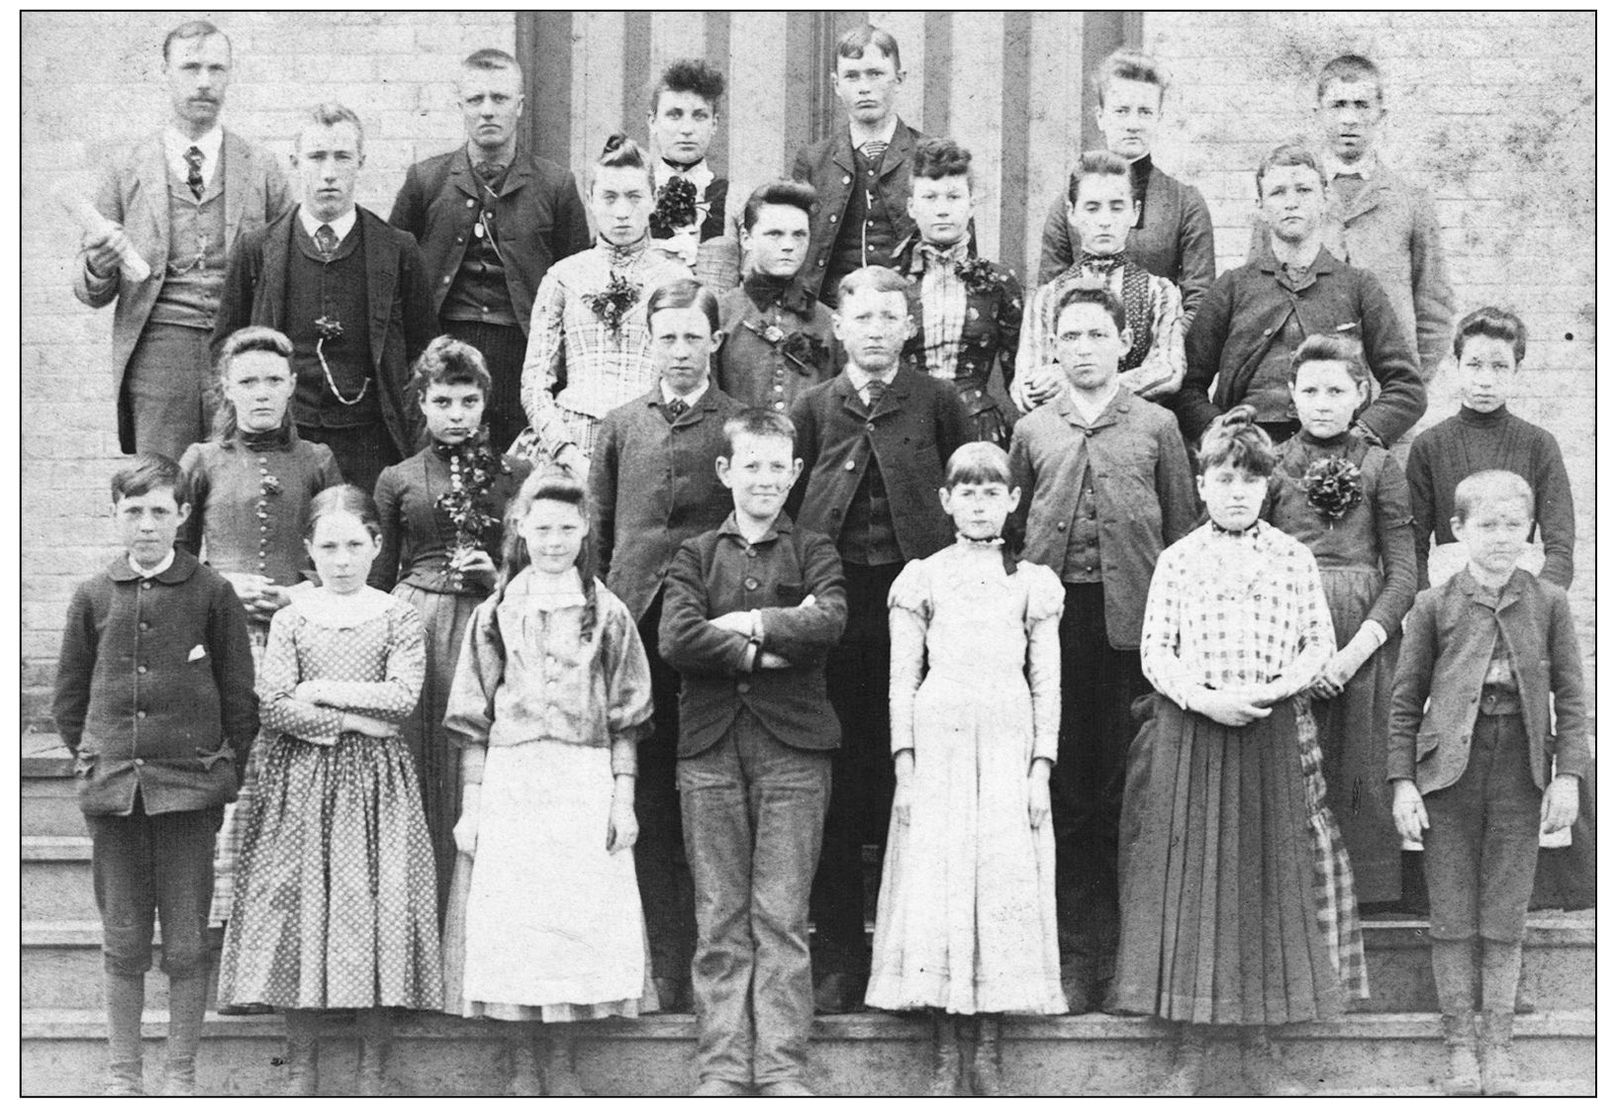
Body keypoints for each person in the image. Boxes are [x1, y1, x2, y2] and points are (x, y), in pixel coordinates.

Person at [1112, 408, 1348, 1096]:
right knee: (1192, 880)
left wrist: (1275, 688)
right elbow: (1156, 650)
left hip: (1270, 727)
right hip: (1196, 727)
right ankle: (1187, 1046)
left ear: (1268, 486)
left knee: (1266, 878)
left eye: (1250, 478)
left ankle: (1263, 1043)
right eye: (1224, 477)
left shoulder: (1292, 556)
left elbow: (1318, 643)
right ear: (1202, 482)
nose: (1237, 489)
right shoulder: (1178, 558)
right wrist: (1204, 698)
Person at [1007, 286, 1197, 1014]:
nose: (1083, 347)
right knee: (1066, 790)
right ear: (1053, 347)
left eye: (1097, 334)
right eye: (1070, 335)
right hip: (1056, 629)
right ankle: (1074, 956)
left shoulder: (1156, 426)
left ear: (1123, 344)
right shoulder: (1033, 430)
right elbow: (1015, 540)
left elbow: (1181, 534)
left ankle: (1129, 963)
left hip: (1134, 631)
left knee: (1129, 788)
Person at [787, 265, 969, 1013]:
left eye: (889, 317)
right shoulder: (813, 405)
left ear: (909, 326)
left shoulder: (936, 401)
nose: (874, 329)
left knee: (910, 773)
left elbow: (964, 490)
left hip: (916, 610)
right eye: (861, 317)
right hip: (836, 609)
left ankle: (912, 952)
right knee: (836, 776)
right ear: (840, 327)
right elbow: (796, 502)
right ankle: (838, 952)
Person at [217, 486, 439, 1097]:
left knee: (377, 905)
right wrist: (346, 720)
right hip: (301, 782)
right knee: (299, 904)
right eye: (328, 547)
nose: (341, 559)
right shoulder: (291, 617)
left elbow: (402, 697)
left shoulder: (397, 615)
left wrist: (321, 690)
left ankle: (373, 1067)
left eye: (354, 545)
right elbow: (275, 703)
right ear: (308, 551)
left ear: (377, 546)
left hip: (378, 782)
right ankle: (302, 1065)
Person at [442, 465, 656, 1096]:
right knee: (517, 917)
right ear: (521, 529)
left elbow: (628, 715)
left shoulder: (608, 612)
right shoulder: (495, 612)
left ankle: (562, 1060)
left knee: (573, 916)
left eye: (567, 528)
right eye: (543, 528)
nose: (555, 540)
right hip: (514, 777)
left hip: (582, 776)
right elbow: (472, 716)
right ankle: (520, 1062)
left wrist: (624, 798)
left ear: (585, 529)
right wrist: (471, 807)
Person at [53, 453, 257, 1095]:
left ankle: (181, 1074)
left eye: (160, 512)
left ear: (183, 516)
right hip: (114, 794)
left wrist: (222, 770)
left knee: (189, 941)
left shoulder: (211, 592)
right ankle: (123, 1076)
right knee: (123, 937)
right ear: (116, 516)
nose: (147, 525)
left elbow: (238, 695)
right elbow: (67, 698)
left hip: (190, 795)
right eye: (134, 511)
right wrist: (93, 760)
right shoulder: (91, 595)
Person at [659, 408, 848, 1096]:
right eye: (752, 465)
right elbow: (678, 637)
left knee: (781, 914)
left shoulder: (816, 549)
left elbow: (827, 620)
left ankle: (780, 1069)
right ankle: (721, 1067)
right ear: (725, 472)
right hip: (708, 748)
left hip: (794, 748)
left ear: (796, 473)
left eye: (777, 466)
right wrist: (768, 648)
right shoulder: (694, 554)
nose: (764, 479)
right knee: (720, 917)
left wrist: (747, 622)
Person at [867, 442, 1066, 1096]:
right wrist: (904, 764)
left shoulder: (1030, 582)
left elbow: (1047, 683)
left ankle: (989, 1042)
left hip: (1007, 744)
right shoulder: (923, 577)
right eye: (967, 492)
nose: (980, 504)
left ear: (1012, 500)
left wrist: (1041, 766)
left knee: (1000, 880)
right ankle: (943, 1046)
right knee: (942, 881)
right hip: (941, 741)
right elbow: (902, 679)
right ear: (947, 500)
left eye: (993, 492)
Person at [1389, 470, 1587, 1095]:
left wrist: (1569, 777)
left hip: (1519, 773)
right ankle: (1459, 1049)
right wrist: (1402, 783)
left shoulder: (1549, 603)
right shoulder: (1432, 605)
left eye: (1512, 525)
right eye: (1486, 525)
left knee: (1503, 911)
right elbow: (1403, 704)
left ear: (1529, 532)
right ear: (1458, 531)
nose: (1500, 537)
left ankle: (1498, 1047)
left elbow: (1573, 702)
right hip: (1449, 775)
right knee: (1451, 913)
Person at [589, 278, 742, 1012]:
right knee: (641, 789)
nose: (679, 350)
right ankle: (655, 963)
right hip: (635, 625)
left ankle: (703, 964)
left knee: (701, 793)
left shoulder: (741, 424)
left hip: (707, 632)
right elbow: (599, 526)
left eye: (693, 336)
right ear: (649, 341)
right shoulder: (621, 426)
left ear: (715, 341)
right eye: (667, 336)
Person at [175, 326, 341, 942]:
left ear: (293, 385)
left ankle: (293, 919)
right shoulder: (201, 461)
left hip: (301, 638)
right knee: (236, 770)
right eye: (248, 382)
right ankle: (222, 921)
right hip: (227, 641)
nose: (262, 393)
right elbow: (178, 559)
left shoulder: (316, 460)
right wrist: (224, 585)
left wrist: (301, 588)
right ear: (227, 388)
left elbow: (340, 549)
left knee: (296, 773)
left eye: (274, 380)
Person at [73, 20, 292, 459]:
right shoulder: (125, 168)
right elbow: (89, 290)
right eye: (191, 68)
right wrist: (100, 263)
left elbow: (293, 269)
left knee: (239, 487)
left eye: (216, 69)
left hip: (241, 352)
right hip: (158, 354)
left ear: (230, 74)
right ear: (165, 74)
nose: (205, 82)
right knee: (162, 490)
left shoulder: (262, 168)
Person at [370, 336, 532, 915]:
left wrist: (500, 577)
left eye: (468, 401)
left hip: (492, 620)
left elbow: (539, 571)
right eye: (443, 401)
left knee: (484, 756)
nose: (456, 415)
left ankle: (482, 919)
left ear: (486, 401)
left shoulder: (517, 473)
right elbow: (383, 574)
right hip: (417, 623)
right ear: (422, 404)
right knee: (419, 759)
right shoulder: (398, 478)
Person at [1262, 335, 1416, 911]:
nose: (1322, 402)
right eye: (1310, 390)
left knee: (1359, 764)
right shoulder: (1273, 466)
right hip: (1288, 629)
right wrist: (1299, 653)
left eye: (1336, 390)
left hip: (1364, 639)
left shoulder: (1381, 467)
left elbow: (1402, 574)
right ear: (1291, 395)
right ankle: (1296, 897)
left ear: (1361, 395)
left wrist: (1352, 654)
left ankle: (1369, 898)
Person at [213, 102, 435, 495]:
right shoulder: (256, 250)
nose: (329, 173)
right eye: (317, 157)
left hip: (372, 443)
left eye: (342, 157)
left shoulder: (398, 250)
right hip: (283, 443)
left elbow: (425, 355)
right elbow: (223, 352)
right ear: (295, 161)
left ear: (361, 161)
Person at [389, 49, 592, 453]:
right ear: (459, 105)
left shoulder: (555, 185)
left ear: (519, 106)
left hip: (523, 351)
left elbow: (577, 282)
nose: (487, 111)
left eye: (499, 99)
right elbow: (393, 274)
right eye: (476, 100)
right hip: (444, 344)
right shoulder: (426, 181)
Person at [1169, 141, 1425, 451]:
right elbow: (1186, 386)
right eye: (1278, 192)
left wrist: (1359, 438)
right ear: (1260, 207)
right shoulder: (1232, 287)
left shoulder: (1359, 286)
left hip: (1335, 453)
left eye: (1304, 190)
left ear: (1324, 200)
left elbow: (1407, 388)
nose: (1292, 202)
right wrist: (1219, 433)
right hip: (1248, 453)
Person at [1248, 55, 1453, 382]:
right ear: (1318, 114)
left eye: (1361, 105)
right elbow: (1257, 303)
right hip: (1305, 397)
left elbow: (1435, 312)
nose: (1349, 119)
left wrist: (1407, 388)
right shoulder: (1284, 201)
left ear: (1381, 115)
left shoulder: (1411, 202)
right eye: (1338, 105)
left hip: (1384, 398)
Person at [514, 134, 691, 473]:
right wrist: (566, 453)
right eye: (609, 198)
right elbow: (534, 385)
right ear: (591, 201)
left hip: (650, 444)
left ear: (653, 200)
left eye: (634, 197)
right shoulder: (563, 277)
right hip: (567, 445)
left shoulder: (677, 280)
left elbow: (692, 380)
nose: (622, 212)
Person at [1035, 49, 1215, 320]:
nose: (1133, 124)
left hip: (1161, 353)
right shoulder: (1068, 205)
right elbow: (1050, 295)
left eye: (1144, 112)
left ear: (1159, 117)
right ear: (1100, 117)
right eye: (1121, 111)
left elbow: (1200, 301)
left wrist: (1163, 350)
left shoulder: (1185, 202)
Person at [1407, 307, 1574, 590]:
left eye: (1499, 366)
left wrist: (1539, 604)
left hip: (1523, 590)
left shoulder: (1539, 444)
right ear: (1456, 364)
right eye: (1474, 364)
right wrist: (1429, 608)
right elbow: (1414, 545)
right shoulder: (1429, 445)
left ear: (1516, 369)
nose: (1485, 379)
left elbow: (1560, 548)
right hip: (1449, 591)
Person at [1015, 150, 1185, 411]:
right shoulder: (1047, 296)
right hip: (1064, 435)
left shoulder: (1159, 292)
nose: (1105, 221)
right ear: (1071, 212)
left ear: (1135, 212)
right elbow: (1025, 389)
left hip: (1132, 431)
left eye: (1116, 208)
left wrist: (1077, 381)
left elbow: (1167, 372)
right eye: (1092, 208)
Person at [893, 138, 1024, 448]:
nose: (942, 209)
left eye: (953, 197)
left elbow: (1017, 374)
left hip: (977, 427)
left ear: (972, 204)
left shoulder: (999, 281)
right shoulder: (894, 283)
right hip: (907, 429)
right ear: (912, 206)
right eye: (930, 197)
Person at [791, 24, 929, 305]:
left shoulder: (928, 155)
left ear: (899, 79)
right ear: (836, 85)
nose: (864, 88)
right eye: (852, 76)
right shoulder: (814, 160)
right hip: (831, 311)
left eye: (876, 74)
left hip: (910, 310)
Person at [715, 182, 839, 412]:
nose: (789, 245)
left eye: (799, 235)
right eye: (775, 234)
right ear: (746, 238)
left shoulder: (830, 323)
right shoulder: (721, 315)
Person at [646, 58, 743, 289]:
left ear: (715, 124)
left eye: (699, 115)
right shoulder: (637, 195)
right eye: (674, 115)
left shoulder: (735, 199)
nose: (687, 129)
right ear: (652, 121)